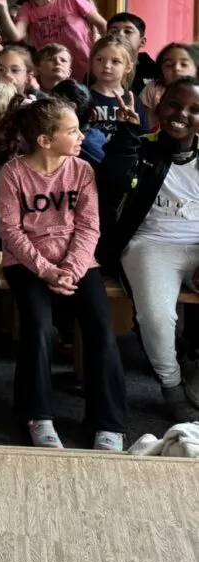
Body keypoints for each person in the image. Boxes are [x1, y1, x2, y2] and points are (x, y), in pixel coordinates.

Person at [0, 97, 127, 451]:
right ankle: (37, 415)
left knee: (100, 325)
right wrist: (47, 270)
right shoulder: (14, 172)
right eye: (72, 130)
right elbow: (11, 232)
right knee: (39, 327)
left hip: (77, 263)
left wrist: (71, 268)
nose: (81, 135)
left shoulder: (82, 170)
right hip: (29, 263)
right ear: (45, 140)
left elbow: (89, 227)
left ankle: (108, 422)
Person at [97, 78, 199, 423]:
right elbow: (110, 184)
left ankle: (195, 368)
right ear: (157, 105)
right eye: (173, 104)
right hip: (150, 244)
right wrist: (127, 135)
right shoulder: (138, 144)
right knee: (156, 317)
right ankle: (171, 386)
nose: (181, 114)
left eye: (194, 110)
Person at [0, 0, 106, 81]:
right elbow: (16, 35)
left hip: (88, 72)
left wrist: (103, 55)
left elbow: (101, 23)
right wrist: (3, 8)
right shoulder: (27, 9)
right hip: (52, 77)